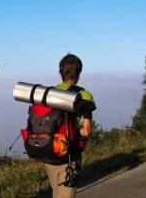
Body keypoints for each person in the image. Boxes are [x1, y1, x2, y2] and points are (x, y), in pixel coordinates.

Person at [45, 53, 96, 198]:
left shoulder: (49, 93)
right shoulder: (84, 96)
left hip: (48, 151)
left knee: (57, 192)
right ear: (79, 73)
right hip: (68, 154)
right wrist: (76, 131)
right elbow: (86, 131)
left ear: (60, 72)